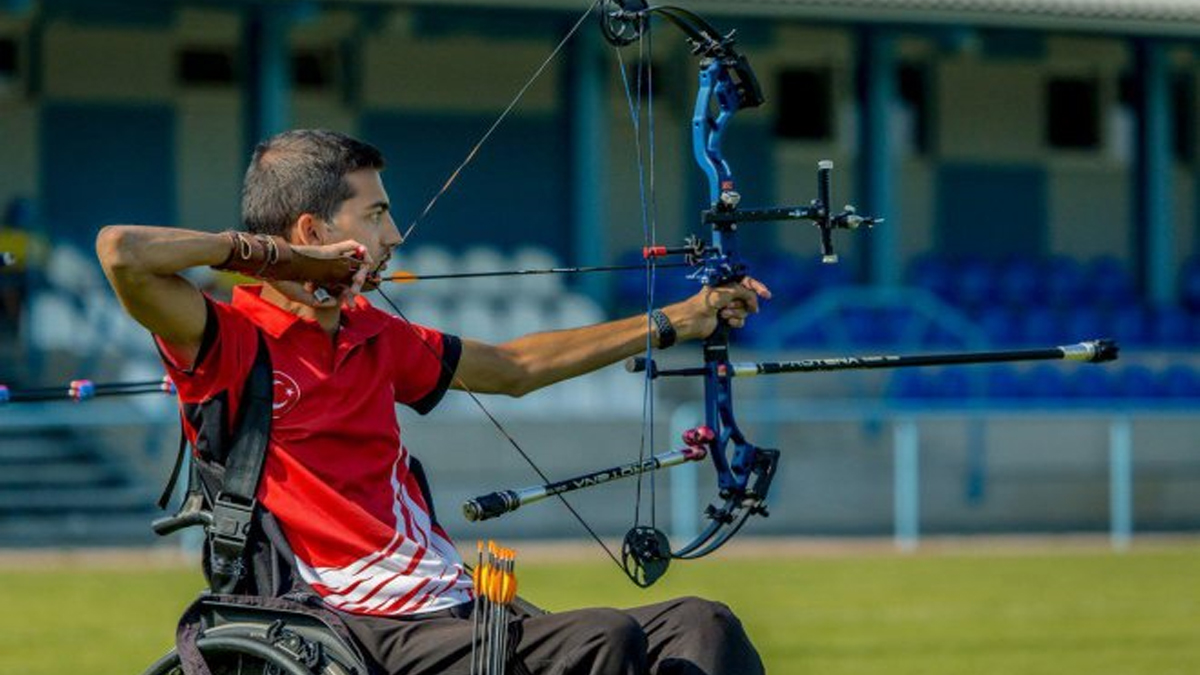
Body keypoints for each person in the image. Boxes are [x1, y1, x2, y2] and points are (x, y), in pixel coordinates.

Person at [97, 129, 769, 675]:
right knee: (603, 638)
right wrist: (276, 260)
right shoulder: (230, 340)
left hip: (455, 606)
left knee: (703, 625)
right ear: (311, 229)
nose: (393, 238)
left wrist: (682, 316)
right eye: (378, 214)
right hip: (350, 622)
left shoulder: (374, 333)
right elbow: (122, 252)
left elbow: (514, 366)